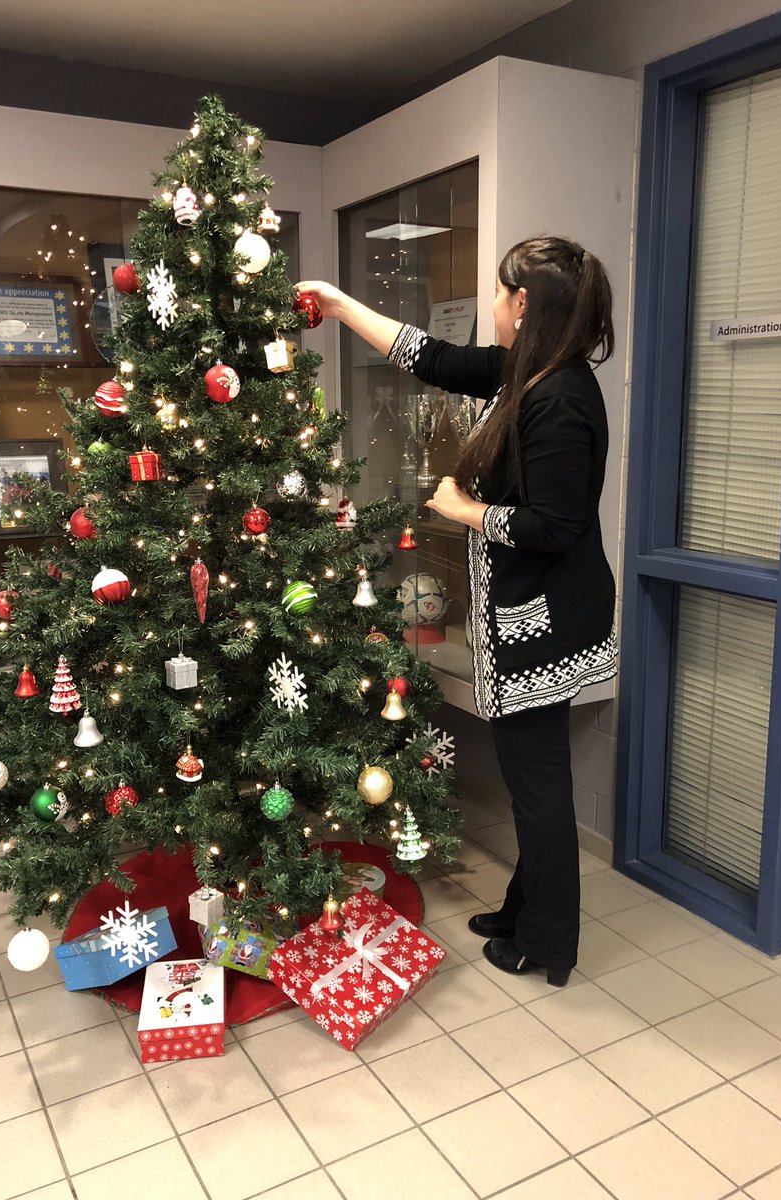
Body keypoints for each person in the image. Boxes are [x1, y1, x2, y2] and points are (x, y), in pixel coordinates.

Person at [297, 235, 617, 987]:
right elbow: (432, 358)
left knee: (537, 786)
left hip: (548, 624)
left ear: (524, 306)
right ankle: (522, 912)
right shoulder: (526, 373)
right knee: (532, 778)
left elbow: (555, 526)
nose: (495, 305)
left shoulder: (560, 398)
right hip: (530, 615)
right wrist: (341, 306)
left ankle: (548, 944)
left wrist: (464, 509)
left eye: (501, 293)